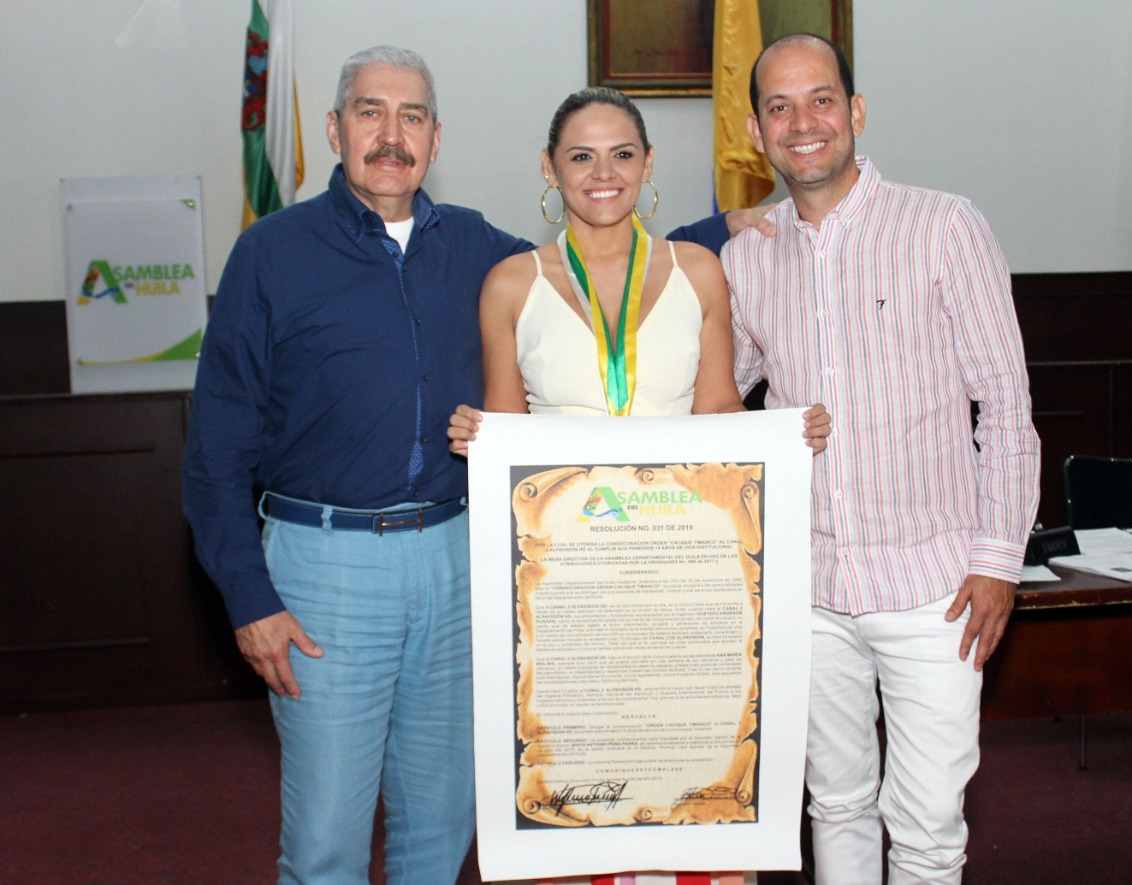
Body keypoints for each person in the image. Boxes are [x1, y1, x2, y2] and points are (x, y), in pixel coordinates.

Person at [184, 47, 775, 884]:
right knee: (324, 837)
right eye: (370, 112)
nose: (392, 135)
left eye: (412, 117)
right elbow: (213, 449)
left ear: (434, 136)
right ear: (335, 127)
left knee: (444, 824)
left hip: (462, 561)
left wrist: (730, 228)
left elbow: (597, 248)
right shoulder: (270, 254)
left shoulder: (474, 247)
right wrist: (248, 596)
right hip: (326, 569)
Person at [447, 87, 828, 885]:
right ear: (550, 169)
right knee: (579, 803)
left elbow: (723, 419)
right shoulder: (510, 285)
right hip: (568, 596)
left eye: (622, 153)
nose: (603, 173)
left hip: (686, 577)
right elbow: (510, 452)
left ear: (649, 164)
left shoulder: (701, 271)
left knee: (688, 781)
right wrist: (478, 441)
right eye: (580, 156)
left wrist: (783, 436)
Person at [720, 35, 1041, 885]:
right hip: (813, 587)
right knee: (836, 804)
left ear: (855, 113)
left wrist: (998, 559)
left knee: (930, 825)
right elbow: (712, 405)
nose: (803, 123)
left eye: (821, 100)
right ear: (756, 133)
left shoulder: (944, 226)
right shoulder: (745, 255)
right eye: (780, 108)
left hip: (936, 589)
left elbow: (1004, 403)